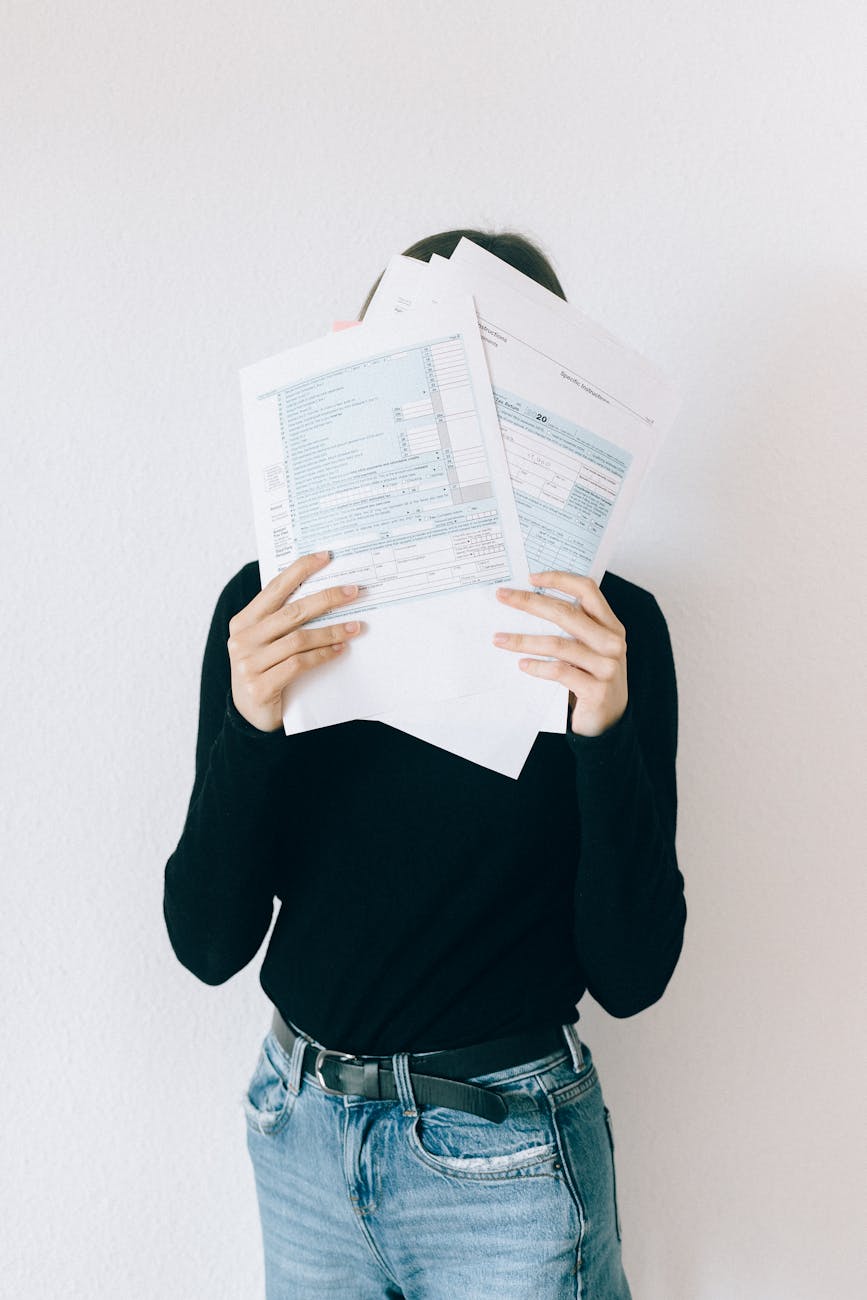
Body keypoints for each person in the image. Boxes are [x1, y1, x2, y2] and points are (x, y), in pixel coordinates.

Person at [162, 229, 687, 1299]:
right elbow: (206, 940)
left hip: (507, 1162)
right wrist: (253, 721)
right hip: (300, 1126)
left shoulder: (614, 631)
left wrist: (603, 729)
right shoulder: (266, 615)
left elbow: (634, 976)